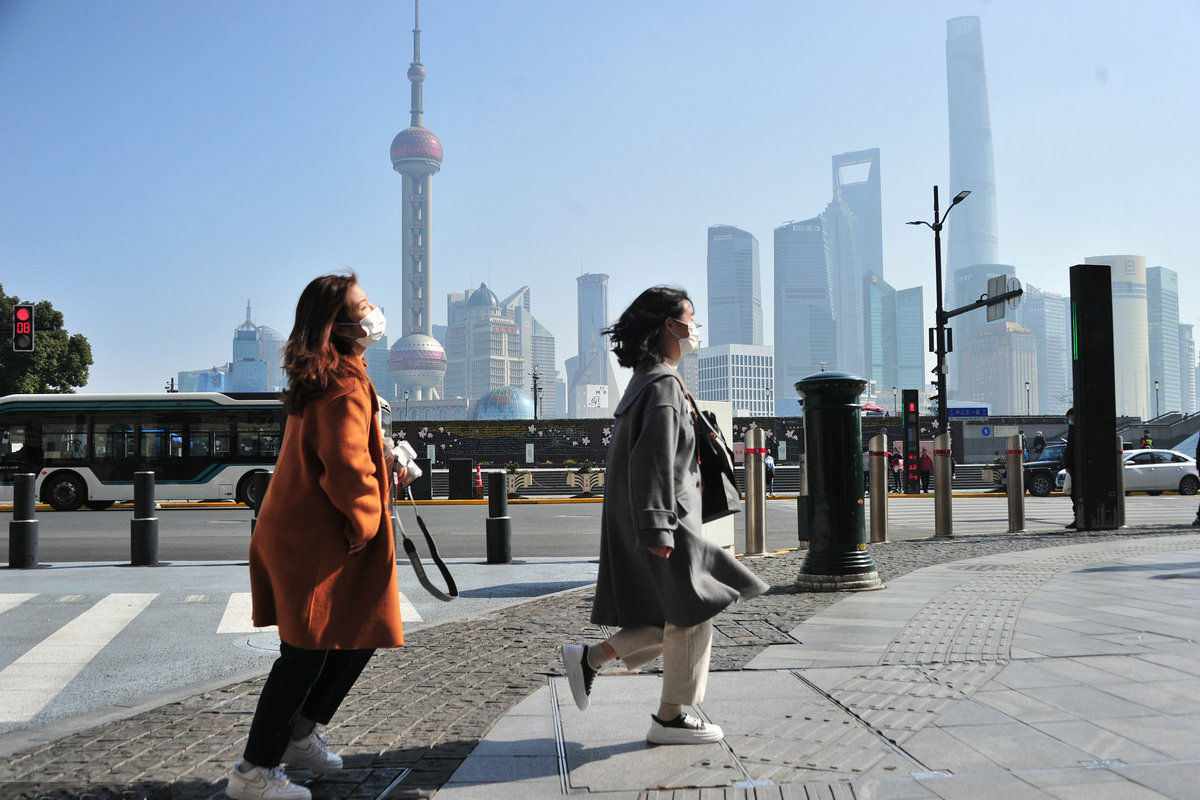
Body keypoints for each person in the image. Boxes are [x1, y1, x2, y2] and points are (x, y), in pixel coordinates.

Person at [560, 286, 768, 745]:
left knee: (674, 612)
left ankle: (591, 659)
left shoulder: (647, 380)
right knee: (694, 608)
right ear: (671, 326)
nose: (696, 328)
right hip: (671, 521)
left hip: (663, 519)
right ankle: (670, 718)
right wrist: (657, 527)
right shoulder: (664, 385)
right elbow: (653, 459)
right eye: (691, 318)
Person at [225, 273, 406, 800]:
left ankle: (299, 735)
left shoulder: (328, 377)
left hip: (301, 530)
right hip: (317, 536)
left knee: (356, 633)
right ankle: (255, 771)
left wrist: (387, 460)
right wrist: (366, 520)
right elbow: (344, 464)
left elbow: (346, 452)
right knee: (304, 654)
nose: (374, 312)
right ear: (340, 326)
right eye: (364, 306)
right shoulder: (343, 383)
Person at [1063, 407, 1077, 530]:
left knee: (1075, 493)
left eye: (1070, 418)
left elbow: (1070, 448)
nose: (1069, 420)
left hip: (1074, 466)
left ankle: (1078, 517)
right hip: (1073, 465)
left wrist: (1068, 464)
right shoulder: (1073, 429)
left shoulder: (1074, 430)